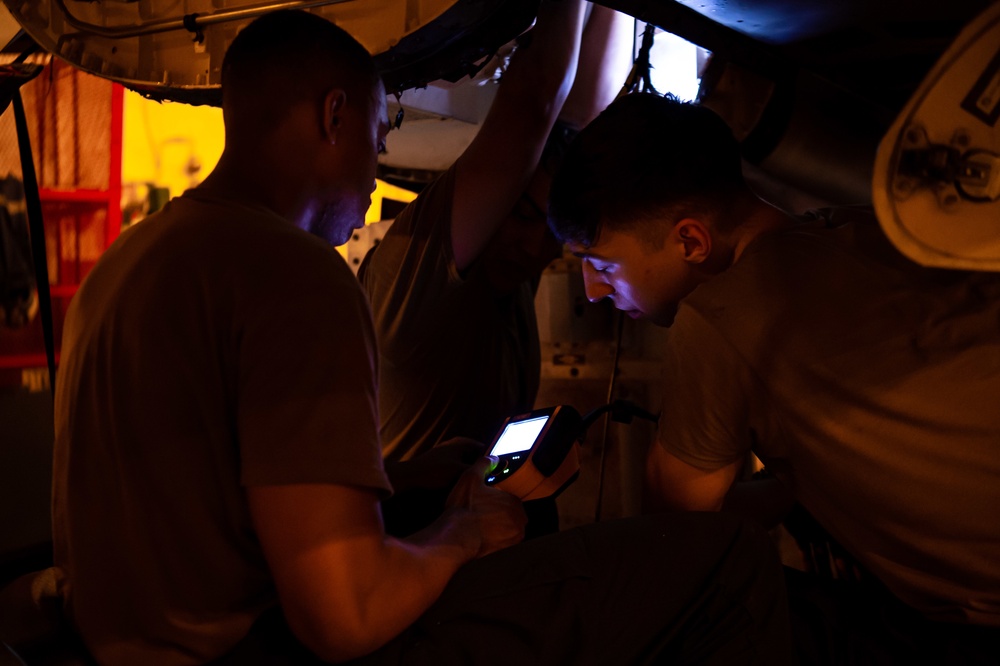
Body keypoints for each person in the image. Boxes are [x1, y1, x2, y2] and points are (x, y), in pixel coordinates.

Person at [52, 12, 794, 665]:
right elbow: (347, 617)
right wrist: (465, 533)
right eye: (375, 143)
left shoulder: (129, 263)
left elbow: (212, 499)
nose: (374, 179)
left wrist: (414, 482)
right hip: (257, 650)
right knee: (722, 566)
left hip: (131, 647)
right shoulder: (293, 274)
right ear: (333, 118)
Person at [547, 92, 1000, 663]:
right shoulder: (866, 231)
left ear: (691, 240)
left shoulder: (718, 318)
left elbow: (675, 540)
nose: (591, 289)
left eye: (604, 264)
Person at [360, 0, 634, 462]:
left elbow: (578, 125)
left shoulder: (505, 272)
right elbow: (533, 106)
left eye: (554, 234)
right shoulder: (416, 279)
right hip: (410, 528)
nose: (535, 249)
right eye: (525, 216)